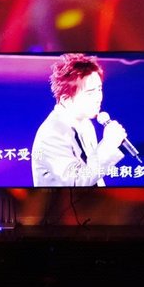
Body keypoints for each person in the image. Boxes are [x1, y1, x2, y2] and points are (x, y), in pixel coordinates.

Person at [31, 52, 127, 187]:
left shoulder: (86, 123)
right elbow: (76, 181)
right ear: (66, 99)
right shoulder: (51, 135)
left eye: (99, 89)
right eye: (90, 92)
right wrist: (109, 144)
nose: (98, 97)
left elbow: (93, 175)